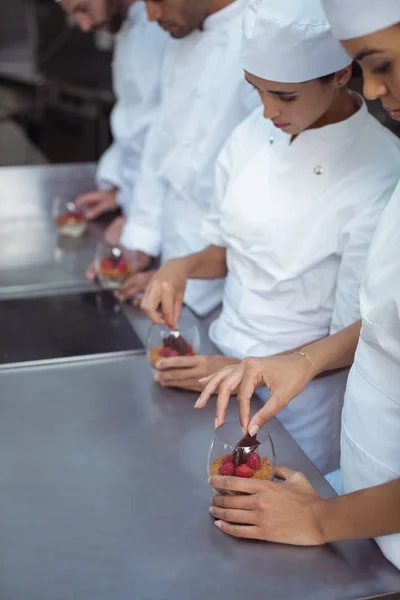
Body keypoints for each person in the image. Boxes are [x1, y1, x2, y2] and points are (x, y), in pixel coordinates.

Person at [140, 0, 400, 474]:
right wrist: (182, 266)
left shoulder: (380, 172)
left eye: (284, 95)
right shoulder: (251, 134)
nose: (266, 112)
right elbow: (232, 250)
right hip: (215, 361)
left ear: (342, 73)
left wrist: (240, 370)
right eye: (255, 91)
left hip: (297, 404)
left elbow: (361, 335)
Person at [197, 0, 400, 570]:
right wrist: (304, 360)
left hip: (353, 497)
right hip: (361, 488)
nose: (377, 90)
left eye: (380, 64)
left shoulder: (381, 169)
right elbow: (386, 318)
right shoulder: (254, 134)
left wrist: (322, 519)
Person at [113, 0, 259, 314]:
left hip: (231, 281)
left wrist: (187, 276)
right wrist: (141, 241)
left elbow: (258, 190)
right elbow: (160, 142)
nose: (150, 16)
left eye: (157, 1)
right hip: (174, 260)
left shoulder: (263, 33)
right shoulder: (182, 34)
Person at [57, 0, 167, 248]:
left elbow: (169, 137)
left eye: (83, 9)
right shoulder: (127, 22)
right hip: (140, 207)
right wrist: (120, 193)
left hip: (164, 223)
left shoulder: (166, 28)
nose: (84, 26)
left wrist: (141, 223)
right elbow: (133, 122)